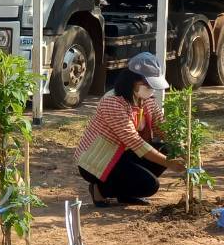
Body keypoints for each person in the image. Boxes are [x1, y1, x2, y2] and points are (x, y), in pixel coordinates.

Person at [74, 52, 185, 206]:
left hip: (124, 155)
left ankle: (125, 194)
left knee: (167, 148)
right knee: (149, 185)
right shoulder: (113, 102)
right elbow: (135, 141)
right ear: (134, 81)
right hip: (101, 160)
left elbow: (162, 126)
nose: (151, 89)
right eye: (148, 85)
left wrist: (181, 149)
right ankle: (100, 189)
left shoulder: (145, 100)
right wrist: (169, 163)